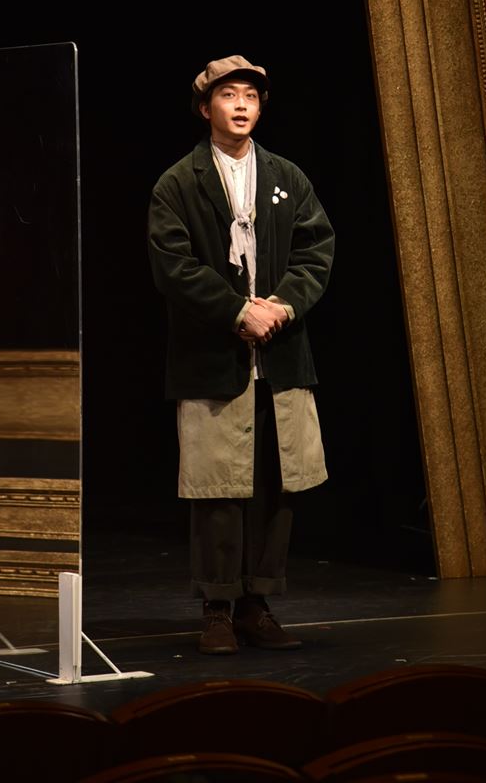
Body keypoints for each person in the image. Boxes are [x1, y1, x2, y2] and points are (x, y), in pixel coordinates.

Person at [147, 55, 335, 654]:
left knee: (276, 483)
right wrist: (236, 311)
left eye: (250, 96)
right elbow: (173, 266)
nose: (241, 105)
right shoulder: (179, 182)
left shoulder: (286, 176)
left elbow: (317, 249)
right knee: (218, 488)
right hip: (213, 355)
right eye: (229, 95)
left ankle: (258, 605)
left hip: (279, 354)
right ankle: (217, 609)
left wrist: (280, 306)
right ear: (206, 107)